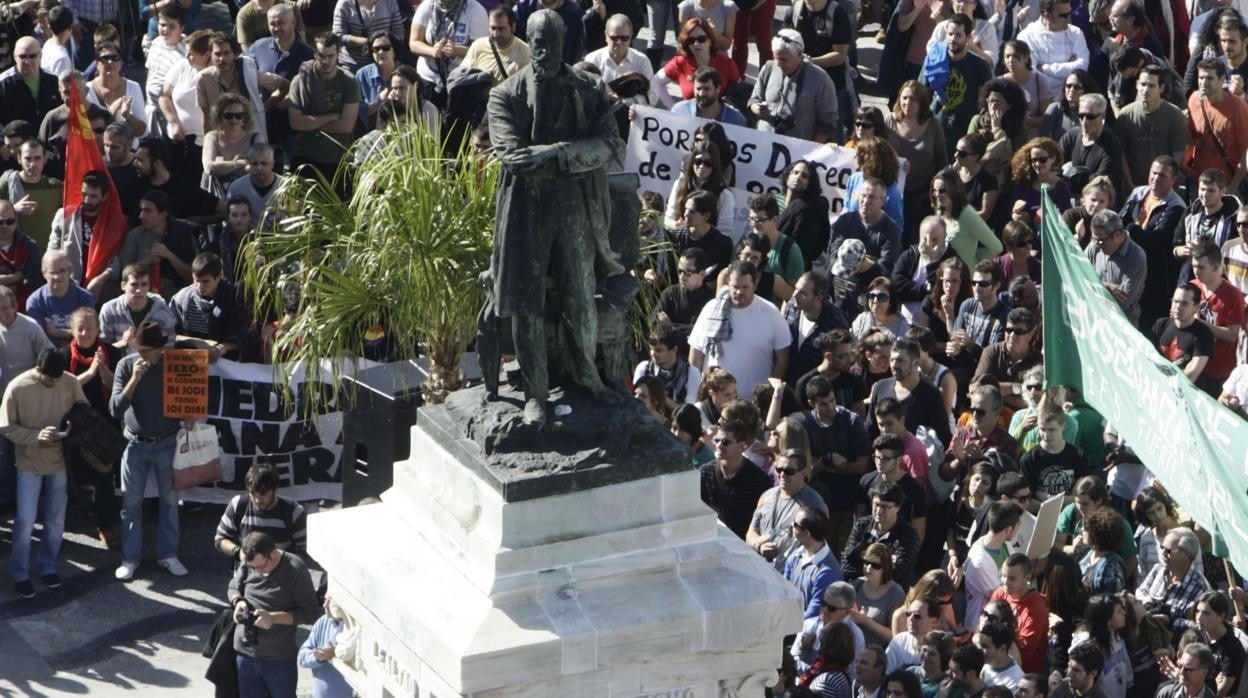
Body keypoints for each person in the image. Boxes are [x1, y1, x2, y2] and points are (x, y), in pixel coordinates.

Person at [1, 348, 88, 599]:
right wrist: (35, 437)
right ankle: (20, 574)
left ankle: (47, 566)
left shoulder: (68, 381)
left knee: (56, 520)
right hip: (28, 463)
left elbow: (83, 409)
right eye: (48, 377)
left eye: (56, 378)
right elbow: (5, 426)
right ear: (38, 369)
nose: (52, 382)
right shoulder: (18, 387)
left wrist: (72, 425)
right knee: (26, 521)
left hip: (59, 462)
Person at [110, 321, 186, 582]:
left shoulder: (174, 364)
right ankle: (130, 559)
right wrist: (134, 379)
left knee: (169, 503)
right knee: (131, 504)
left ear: (161, 348)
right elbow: (115, 409)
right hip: (135, 445)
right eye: (139, 349)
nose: (143, 355)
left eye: (147, 351)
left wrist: (191, 415)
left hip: (168, 442)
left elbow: (191, 397)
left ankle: (168, 554)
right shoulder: (125, 365)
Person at [228, 531, 320, 698]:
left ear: (272, 553)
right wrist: (238, 602)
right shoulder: (249, 562)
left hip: (278, 658)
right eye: (251, 567)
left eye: (260, 566)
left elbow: (311, 612)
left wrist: (274, 618)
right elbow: (234, 586)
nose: (256, 570)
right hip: (245, 652)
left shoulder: (294, 569)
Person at [690, 260, 790, 397]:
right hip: (714, 400)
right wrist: (694, 393)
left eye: (745, 287)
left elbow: (783, 358)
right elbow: (696, 353)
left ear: (755, 285)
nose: (739, 292)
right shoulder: (711, 309)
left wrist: (771, 394)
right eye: (735, 286)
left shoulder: (771, 313)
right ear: (728, 283)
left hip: (753, 403)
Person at [802, 374, 871, 549]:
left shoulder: (852, 421)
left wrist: (831, 465)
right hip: (821, 505)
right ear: (812, 403)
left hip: (849, 503)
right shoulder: (807, 426)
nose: (831, 407)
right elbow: (808, 470)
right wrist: (827, 460)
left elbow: (862, 465)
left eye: (833, 400)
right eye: (824, 404)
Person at [288, 33, 360, 182]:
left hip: (337, 161)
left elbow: (346, 125)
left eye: (330, 56)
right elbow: (296, 123)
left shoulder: (349, 82)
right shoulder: (300, 81)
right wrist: (332, 116)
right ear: (315, 53)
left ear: (338, 54)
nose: (325, 61)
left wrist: (310, 124)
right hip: (305, 158)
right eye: (321, 55)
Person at [747, 29, 840, 143]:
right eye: (776, 58)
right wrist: (758, 110)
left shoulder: (820, 79)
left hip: (798, 148)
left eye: (784, 60)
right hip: (764, 143)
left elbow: (828, 121)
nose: (778, 64)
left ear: (800, 54)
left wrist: (813, 150)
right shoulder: (769, 68)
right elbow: (753, 99)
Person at [920, 14, 992, 159]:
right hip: (935, 128)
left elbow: (984, 102)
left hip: (965, 134)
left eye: (958, 35)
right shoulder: (934, 60)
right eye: (950, 34)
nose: (953, 39)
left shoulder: (979, 66)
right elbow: (922, 95)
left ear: (968, 37)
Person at [746, 448, 828, 570]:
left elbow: (818, 548)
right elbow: (751, 532)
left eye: (789, 471)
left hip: (792, 575)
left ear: (804, 472)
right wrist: (759, 546)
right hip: (761, 569)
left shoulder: (814, 504)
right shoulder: (767, 496)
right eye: (778, 469)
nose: (782, 475)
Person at [215, 461, 309, 562]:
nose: (257, 500)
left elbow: (306, 550)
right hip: (247, 575)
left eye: (263, 493)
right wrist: (239, 552)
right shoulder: (237, 505)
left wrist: (280, 566)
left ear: (275, 490)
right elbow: (220, 539)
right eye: (252, 493)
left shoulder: (294, 512)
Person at [886, 81, 946, 238]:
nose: (907, 103)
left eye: (913, 99)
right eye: (904, 98)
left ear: (922, 102)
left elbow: (941, 160)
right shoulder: (889, 122)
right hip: (894, 192)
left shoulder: (933, 124)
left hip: (923, 194)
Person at [1113, 66, 1189, 186]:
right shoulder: (1125, 115)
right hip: (1133, 187)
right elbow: (1120, 154)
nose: (1146, 89)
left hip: (1164, 188)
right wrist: (1130, 184)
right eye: (1143, 84)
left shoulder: (1174, 115)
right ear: (1137, 84)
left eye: (1151, 86)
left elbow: (1179, 155)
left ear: (1161, 88)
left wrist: (1162, 183)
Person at [170, 253, 251, 362]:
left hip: (226, 363)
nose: (199, 286)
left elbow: (244, 335)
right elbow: (171, 333)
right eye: (196, 280)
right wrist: (196, 343)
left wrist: (225, 347)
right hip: (190, 362)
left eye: (205, 281)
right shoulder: (181, 299)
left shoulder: (234, 299)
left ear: (218, 277)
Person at [700, 419, 773, 537]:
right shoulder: (705, 472)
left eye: (725, 442)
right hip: (712, 539)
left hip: (743, 544)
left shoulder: (758, 479)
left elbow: (765, 518)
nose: (719, 445)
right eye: (716, 440)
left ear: (742, 446)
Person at [1190, 242, 1246, 396]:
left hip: (1219, 369)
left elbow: (1232, 335)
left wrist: (1199, 324)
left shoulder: (1233, 295)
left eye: (1201, 267)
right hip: (1193, 361)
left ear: (1215, 267)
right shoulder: (1191, 287)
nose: (1195, 271)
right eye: (1194, 266)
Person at [841, 480, 921, 587]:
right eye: (876, 504)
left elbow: (894, 573)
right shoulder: (862, 525)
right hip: (858, 589)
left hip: (892, 594)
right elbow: (846, 566)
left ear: (898, 507)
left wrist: (860, 559)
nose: (878, 511)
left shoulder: (909, 535)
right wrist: (880, 565)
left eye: (885, 506)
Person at [1185, 58, 1248, 191]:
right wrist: (1185, 166)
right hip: (1199, 182)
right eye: (1201, 77)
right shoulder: (1194, 100)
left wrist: (1233, 186)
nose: (1203, 83)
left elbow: (1246, 153)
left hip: (1225, 185)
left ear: (1222, 80)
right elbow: (1190, 139)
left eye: (1209, 78)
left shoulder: (1238, 108)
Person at [1134, 526, 1211, 633]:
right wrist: (1148, 603)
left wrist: (1170, 621)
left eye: (1168, 551)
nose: (1163, 554)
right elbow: (1140, 591)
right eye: (1162, 548)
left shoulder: (1200, 588)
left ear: (1187, 555)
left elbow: (1200, 627)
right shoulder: (1158, 570)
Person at [654, 18, 741, 106]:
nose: (696, 44)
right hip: (690, 117)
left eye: (701, 39)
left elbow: (740, 92)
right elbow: (656, 81)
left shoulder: (727, 63)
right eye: (691, 41)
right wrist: (672, 108)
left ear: (710, 40)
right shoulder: (680, 62)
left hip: (721, 118)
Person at [987, 553, 1048, 674]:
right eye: (1003, 576)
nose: (1005, 582)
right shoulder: (1000, 593)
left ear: (1027, 578)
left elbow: (1024, 651)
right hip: (994, 660)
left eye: (1012, 578)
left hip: (1022, 673)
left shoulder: (1036, 608)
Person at [1085, 210, 1148, 327]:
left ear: (1117, 235)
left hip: (1121, 326)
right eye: (1093, 239)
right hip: (1093, 319)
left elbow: (1122, 301)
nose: (1097, 245)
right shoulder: (1095, 244)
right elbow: (1079, 276)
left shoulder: (1136, 257)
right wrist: (1107, 286)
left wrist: (1092, 286)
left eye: (1101, 241)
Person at [930, 172, 1002, 270]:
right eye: (934, 190)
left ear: (954, 190)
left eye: (942, 191)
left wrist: (974, 261)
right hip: (943, 277)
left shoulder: (968, 215)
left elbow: (996, 247)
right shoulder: (939, 211)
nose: (937, 195)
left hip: (964, 279)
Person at [973, 307, 1040, 410]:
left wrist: (994, 393)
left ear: (1030, 334)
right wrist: (1016, 388)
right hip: (990, 415)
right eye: (1009, 330)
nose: (1012, 336)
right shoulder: (991, 352)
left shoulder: (1038, 361)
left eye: (1018, 331)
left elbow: (1035, 401)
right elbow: (977, 388)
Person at [0, 138, 61, 251]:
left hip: (47, 256)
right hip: (13, 257)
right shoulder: (6, 184)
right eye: (28, 159)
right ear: (19, 159)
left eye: (37, 158)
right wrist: (13, 209)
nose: (33, 164)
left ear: (45, 159)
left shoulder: (56, 187)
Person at [1177, 170, 1237, 285]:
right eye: (1202, 189)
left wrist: (1205, 251)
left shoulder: (1233, 218)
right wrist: (1185, 250)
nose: (1204, 195)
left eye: (1211, 190)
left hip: (1221, 281)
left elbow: (1234, 254)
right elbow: (1175, 246)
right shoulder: (1190, 213)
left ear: (1222, 191)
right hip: (1190, 280)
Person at [24, 249, 94, 346]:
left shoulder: (85, 298)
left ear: (70, 271)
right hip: (48, 354)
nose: (57, 277)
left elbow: (88, 335)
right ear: (44, 273)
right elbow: (39, 338)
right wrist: (72, 333)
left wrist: (57, 333)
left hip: (78, 353)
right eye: (52, 272)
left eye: (62, 271)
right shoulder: (34, 302)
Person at [664, 141, 735, 234]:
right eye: (698, 161)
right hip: (679, 238)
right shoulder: (680, 184)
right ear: (692, 162)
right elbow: (668, 218)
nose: (702, 166)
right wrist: (676, 225)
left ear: (715, 165)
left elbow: (725, 231)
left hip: (708, 245)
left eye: (708, 163)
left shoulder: (724, 194)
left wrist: (700, 233)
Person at [583, 15, 655, 106]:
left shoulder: (642, 62)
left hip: (631, 116)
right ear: (606, 36)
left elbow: (652, 97)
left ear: (631, 36)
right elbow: (583, 94)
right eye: (614, 38)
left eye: (624, 38)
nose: (619, 42)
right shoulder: (592, 60)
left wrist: (625, 102)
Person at [785, 508, 843, 620]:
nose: (792, 525)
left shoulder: (828, 573)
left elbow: (814, 614)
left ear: (806, 532)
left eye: (795, 524)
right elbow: (783, 590)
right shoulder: (796, 555)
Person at [1154, 283, 1215, 384]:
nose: (1178, 307)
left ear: (1196, 308)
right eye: (1176, 301)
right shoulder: (1161, 324)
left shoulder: (1204, 335)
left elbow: (1191, 375)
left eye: (1184, 303)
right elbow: (1146, 353)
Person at [778, 160, 831, 271]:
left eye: (805, 176)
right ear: (787, 175)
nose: (798, 178)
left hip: (795, 269)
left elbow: (809, 249)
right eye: (795, 172)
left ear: (810, 183)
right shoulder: (772, 201)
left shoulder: (811, 209)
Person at [1016, 0, 1089, 81]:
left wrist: (1044, 69)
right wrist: (1069, 67)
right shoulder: (1026, 37)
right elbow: (1031, 74)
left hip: (1071, 92)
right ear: (1047, 16)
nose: (1069, 18)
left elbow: (1083, 65)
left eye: (1069, 13)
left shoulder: (1076, 33)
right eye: (1064, 15)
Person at [0, 36, 61, 130]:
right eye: (22, 56)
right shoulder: (3, 84)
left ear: (40, 55)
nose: (27, 61)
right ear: (15, 56)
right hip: (16, 142)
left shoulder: (54, 80)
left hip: (48, 141)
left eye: (32, 56)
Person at [298, 595, 353, 698]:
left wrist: (335, 652)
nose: (324, 605)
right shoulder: (322, 622)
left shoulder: (353, 628)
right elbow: (302, 657)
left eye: (330, 601)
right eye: (324, 600)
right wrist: (317, 657)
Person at [463, 6, 533, 85]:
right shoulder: (478, 46)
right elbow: (463, 76)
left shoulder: (525, 52)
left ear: (513, 27)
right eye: (493, 28)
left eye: (501, 29)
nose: (496, 34)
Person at [670, 66, 747, 125]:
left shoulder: (735, 119)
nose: (701, 93)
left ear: (718, 89)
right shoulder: (679, 111)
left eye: (706, 89)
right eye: (698, 89)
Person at [887, 597, 941, 670]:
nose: (910, 619)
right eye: (908, 614)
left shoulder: (942, 645)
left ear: (934, 622)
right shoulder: (899, 641)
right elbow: (887, 673)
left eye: (917, 615)